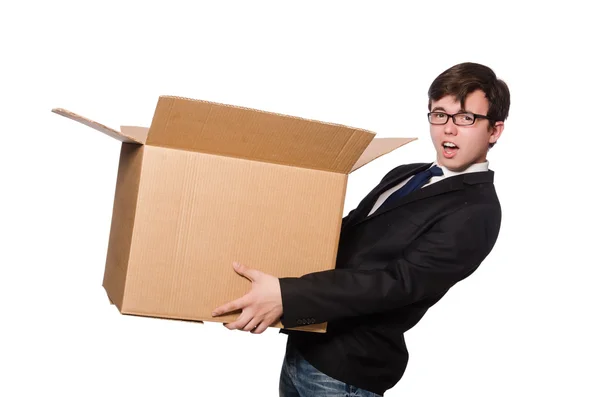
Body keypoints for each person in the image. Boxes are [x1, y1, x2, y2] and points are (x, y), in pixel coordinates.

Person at [212, 62, 510, 396]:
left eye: (465, 118)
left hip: (346, 375)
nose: (448, 129)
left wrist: (287, 295)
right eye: (439, 114)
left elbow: (394, 285)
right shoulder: (406, 172)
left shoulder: (478, 211)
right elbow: (345, 235)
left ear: (494, 131)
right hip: (306, 348)